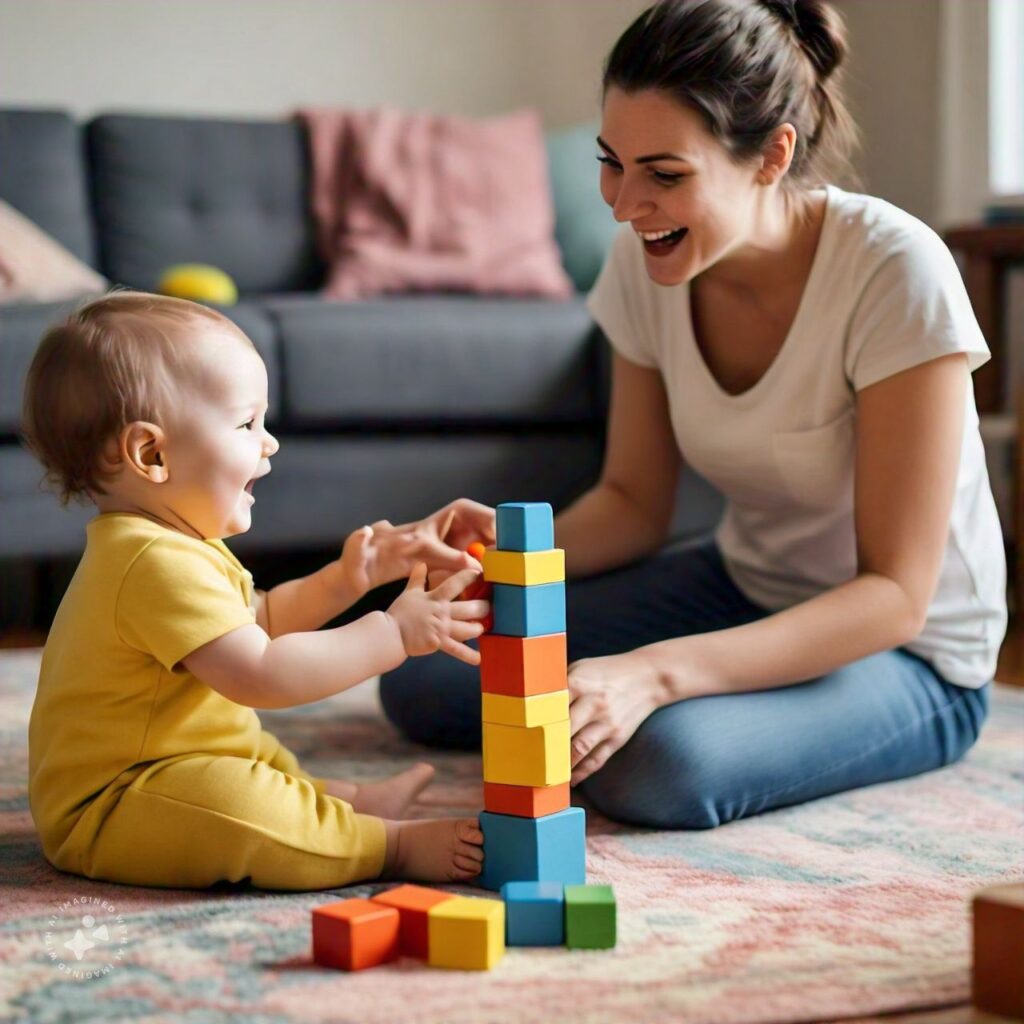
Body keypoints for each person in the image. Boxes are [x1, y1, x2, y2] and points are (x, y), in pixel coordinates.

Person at [379, 0, 1007, 829]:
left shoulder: (895, 271)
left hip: (910, 653)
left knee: (654, 762)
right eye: (612, 162)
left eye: (664, 175)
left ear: (772, 155)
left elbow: (893, 594)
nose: (623, 203)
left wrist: (654, 673)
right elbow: (636, 503)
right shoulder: (646, 262)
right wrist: (506, 565)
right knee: (427, 670)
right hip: (741, 586)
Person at [24, 291, 496, 890]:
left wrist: (352, 576)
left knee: (258, 762)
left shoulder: (171, 544)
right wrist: (394, 634)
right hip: (116, 803)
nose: (269, 442)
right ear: (151, 454)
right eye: (247, 424)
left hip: (181, 763)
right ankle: (388, 846)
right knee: (237, 802)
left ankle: (344, 803)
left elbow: (263, 619)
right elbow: (263, 673)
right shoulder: (150, 563)